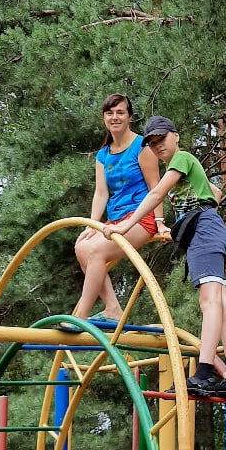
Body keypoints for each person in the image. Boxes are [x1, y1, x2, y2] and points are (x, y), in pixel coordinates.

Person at [104, 115, 226, 400]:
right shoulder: (186, 166)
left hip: (204, 232)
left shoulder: (181, 158)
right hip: (208, 229)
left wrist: (125, 225)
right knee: (221, 304)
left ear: (176, 135)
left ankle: (204, 372)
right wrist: (182, 222)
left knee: (209, 301)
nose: (158, 146)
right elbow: (215, 192)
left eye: (162, 139)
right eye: (152, 143)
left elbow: (157, 192)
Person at [70, 93, 167, 324]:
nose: (115, 117)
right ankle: (112, 308)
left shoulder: (141, 146)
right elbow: (101, 193)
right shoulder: (103, 155)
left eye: (120, 112)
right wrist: (92, 224)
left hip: (141, 218)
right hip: (115, 220)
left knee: (96, 252)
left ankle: (80, 316)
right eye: (110, 113)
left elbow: (156, 187)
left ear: (129, 117)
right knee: (82, 247)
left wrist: (160, 222)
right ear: (104, 118)